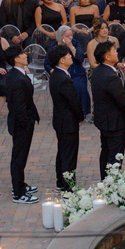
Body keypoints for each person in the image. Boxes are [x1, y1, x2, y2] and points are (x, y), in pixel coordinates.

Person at [90, 41, 125, 178]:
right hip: (114, 122)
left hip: (103, 120)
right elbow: (120, 98)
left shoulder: (98, 71)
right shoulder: (110, 77)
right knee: (115, 154)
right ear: (107, 57)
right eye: (114, 50)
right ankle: (112, 182)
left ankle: (105, 179)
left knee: (106, 151)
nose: (117, 52)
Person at [4, 46, 40, 204]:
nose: (26, 55)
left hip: (22, 122)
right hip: (21, 124)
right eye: (22, 54)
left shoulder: (16, 74)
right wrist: (26, 123)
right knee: (19, 157)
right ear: (16, 59)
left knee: (20, 156)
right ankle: (18, 192)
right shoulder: (17, 79)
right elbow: (19, 106)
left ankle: (20, 184)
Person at [48, 44, 84, 189]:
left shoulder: (56, 75)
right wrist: (80, 115)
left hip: (60, 120)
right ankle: (68, 185)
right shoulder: (63, 79)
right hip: (68, 122)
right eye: (68, 55)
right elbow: (73, 101)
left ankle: (60, 182)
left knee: (63, 152)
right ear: (62, 60)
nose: (71, 56)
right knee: (69, 155)